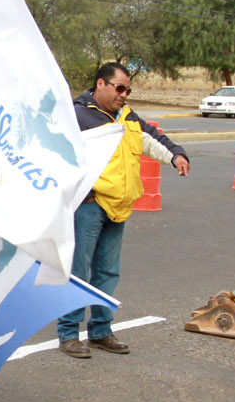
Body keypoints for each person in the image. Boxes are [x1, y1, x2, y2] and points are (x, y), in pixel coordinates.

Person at [57, 62, 189, 358]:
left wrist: (177, 155)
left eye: (128, 90)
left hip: (119, 206)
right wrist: (86, 194)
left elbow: (151, 138)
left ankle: (101, 332)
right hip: (89, 207)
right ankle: (68, 333)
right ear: (100, 84)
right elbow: (59, 158)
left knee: (107, 272)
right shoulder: (78, 116)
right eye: (119, 88)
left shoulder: (127, 116)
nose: (124, 94)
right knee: (78, 272)